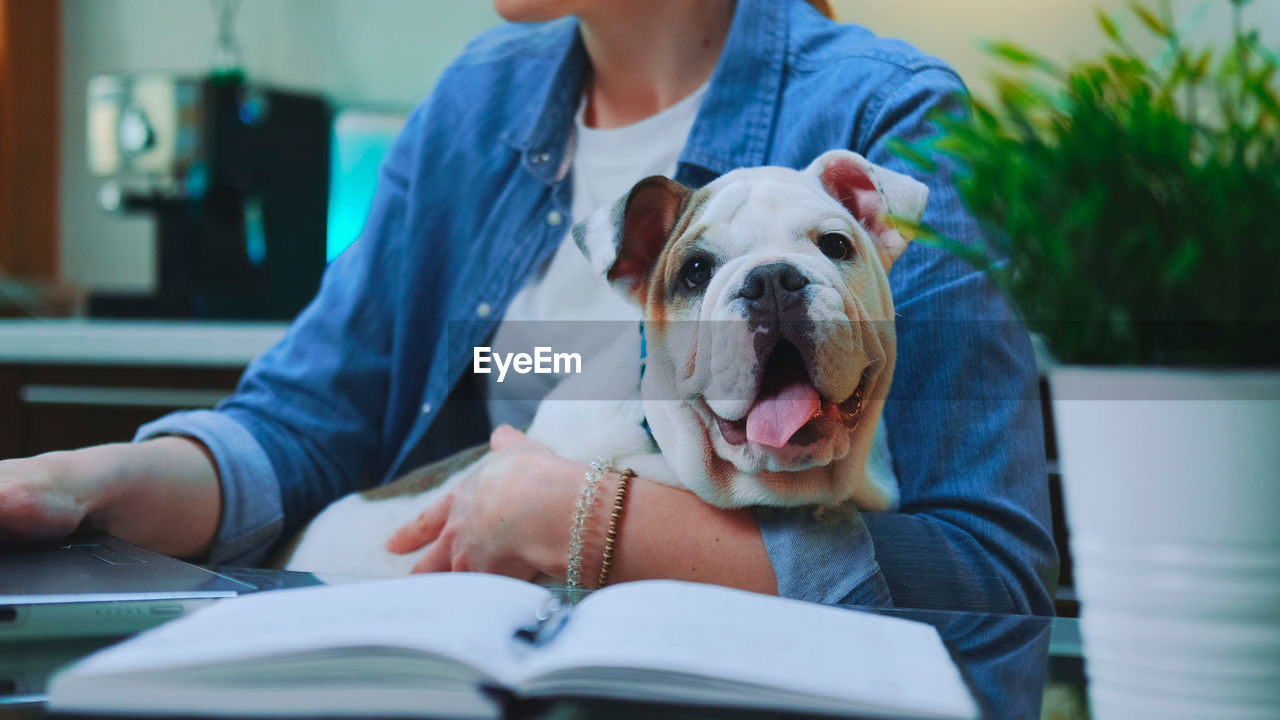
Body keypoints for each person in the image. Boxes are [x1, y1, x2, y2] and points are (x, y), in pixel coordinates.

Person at [0, 0, 1056, 613]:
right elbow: (305, 427)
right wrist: (84, 479)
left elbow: (984, 575)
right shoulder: (478, 105)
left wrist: (590, 525)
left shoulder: (889, 114)